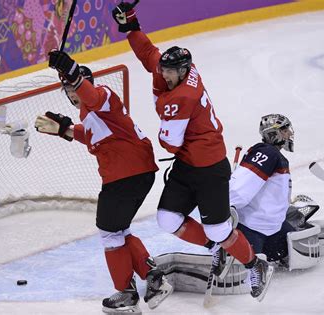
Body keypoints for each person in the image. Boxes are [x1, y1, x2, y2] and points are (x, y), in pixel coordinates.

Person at [111, 0, 273, 300]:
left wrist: (160, 105)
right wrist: (131, 24)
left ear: (182, 72)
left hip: (210, 168)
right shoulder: (182, 71)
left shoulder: (182, 97)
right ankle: (216, 250)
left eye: (169, 73)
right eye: (165, 71)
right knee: (167, 219)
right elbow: (150, 56)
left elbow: (168, 143)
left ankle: (254, 265)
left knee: (218, 230)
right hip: (188, 164)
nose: (164, 75)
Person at [35, 51, 173, 314]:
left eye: (74, 88)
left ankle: (127, 295)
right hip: (135, 173)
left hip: (125, 175)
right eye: (68, 90)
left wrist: (72, 71)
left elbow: (92, 96)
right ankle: (154, 280)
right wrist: (64, 129)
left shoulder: (103, 96)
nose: (72, 94)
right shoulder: (92, 117)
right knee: (118, 230)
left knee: (110, 232)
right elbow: (91, 135)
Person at [230, 114, 324, 267]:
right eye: (285, 130)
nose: (290, 133)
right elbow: (243, 185)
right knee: (248, 269)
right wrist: (229, 207)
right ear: (273, 134)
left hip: (272, 227)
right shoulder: (267, 153)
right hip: (252, 229)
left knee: (301, 243)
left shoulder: (273, 155)